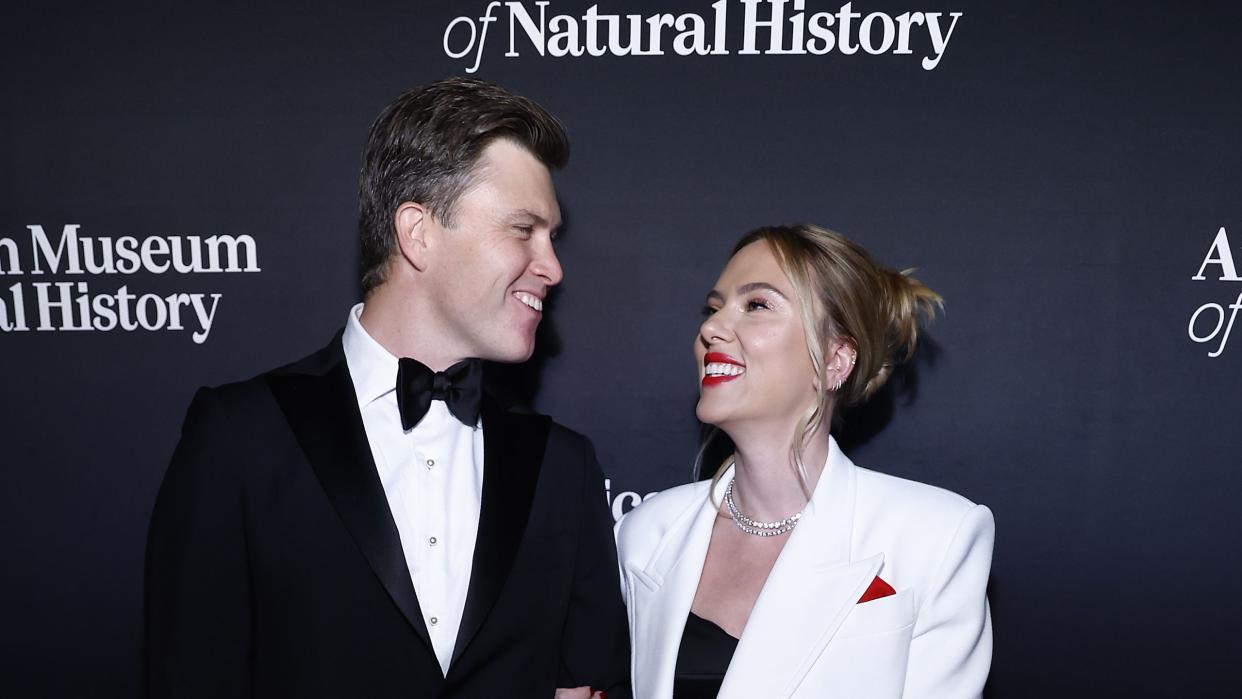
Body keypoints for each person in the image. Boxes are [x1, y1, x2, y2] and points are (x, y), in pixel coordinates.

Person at [145, 78, 629, 699]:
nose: (553, 267)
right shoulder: (241, 437)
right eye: (523, 229)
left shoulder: (563, 467)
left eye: (552, 236)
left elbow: (596, 682)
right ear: (418, 231)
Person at [616, 224, 994, 698]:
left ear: (836, 359)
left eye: (756, 305)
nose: (710, 328)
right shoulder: (646, 534)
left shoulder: (936, 537)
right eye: (713, 309)